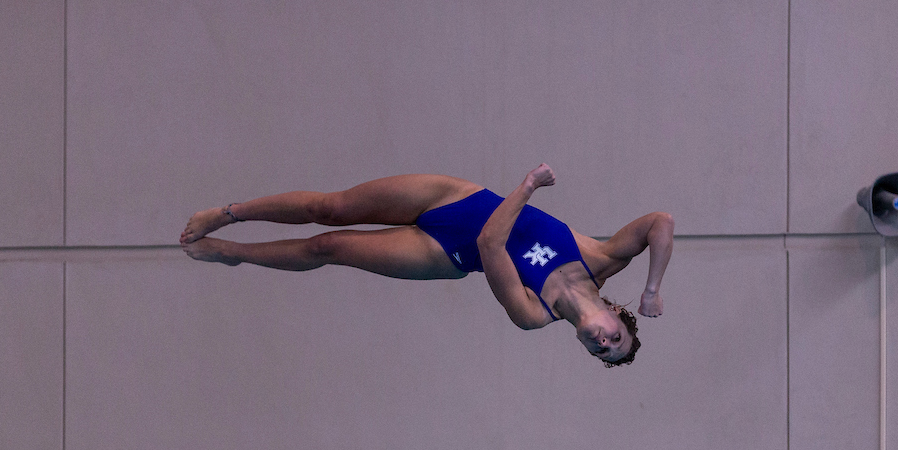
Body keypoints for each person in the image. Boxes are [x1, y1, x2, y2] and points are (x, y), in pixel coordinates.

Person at [180, 164, 673, 366]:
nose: (603, 340)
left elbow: (489, 244)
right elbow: (660, 222)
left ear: (583, 345)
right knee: (328, 208)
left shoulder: (532, 313)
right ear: (616, 311)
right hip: (455, 197)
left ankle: (232, 254)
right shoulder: (604, 259)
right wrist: (652, 287)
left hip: (446, 252)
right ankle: (229, 213)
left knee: (328, 247)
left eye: (601, 351)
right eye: (616, 336)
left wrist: (526, 188)